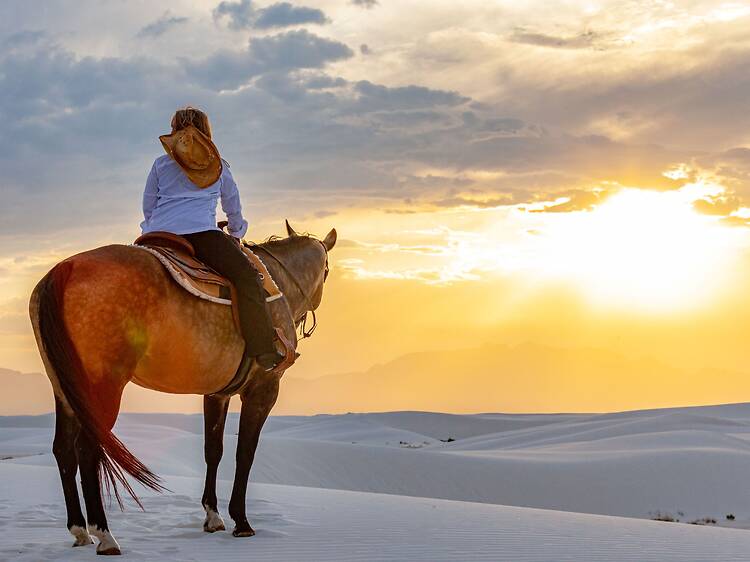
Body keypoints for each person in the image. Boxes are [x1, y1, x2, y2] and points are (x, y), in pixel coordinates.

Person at [140, 106, 284, 372]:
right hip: (201, 235)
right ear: (206, 132)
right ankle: (263, 351)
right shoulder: (218, 165)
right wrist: (236, 233)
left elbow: (148, 204)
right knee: (248, 279)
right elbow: (233, 206)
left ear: (174, 131)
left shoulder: (160, 165)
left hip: (158, 236)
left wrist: (151, 229)